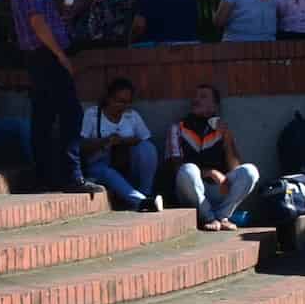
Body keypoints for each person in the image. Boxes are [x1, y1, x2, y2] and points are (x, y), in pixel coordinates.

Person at [11, 0, 89, 193]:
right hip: (46, 55)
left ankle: (47, 174)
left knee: (44, 116)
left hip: (39, 55)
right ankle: (70, 174)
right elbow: (37, 21)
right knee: (69, 113)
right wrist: (60, 55)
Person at [168, 84, 259, 230]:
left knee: (250, 171)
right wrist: (209, 172)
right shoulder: (179, 128)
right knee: (188, 170)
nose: (196, 100)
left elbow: (235, 168)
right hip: (191, 190)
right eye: (195, 96)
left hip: (218, 190)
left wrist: (227, 138)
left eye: (203, 96)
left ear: (215, 106)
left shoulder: (221, 128)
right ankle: (209, 217)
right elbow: (177, 168)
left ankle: (222, 216)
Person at [81, 78, 160, 211]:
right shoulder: (93, 114)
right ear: (108, 98)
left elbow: (146, 141)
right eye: (120, 101)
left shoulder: (132, 115)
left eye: (128, 102)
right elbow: (81, 145)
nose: (123, 106)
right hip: (101, 163)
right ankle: (142, 201)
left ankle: (146, 192)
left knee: (148, 148)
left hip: (127, 164)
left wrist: (124, 141)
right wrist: (104, 141)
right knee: (109, 173)